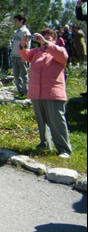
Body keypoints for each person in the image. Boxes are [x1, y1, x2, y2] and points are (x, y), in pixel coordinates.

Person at [18, 29, 72, 159]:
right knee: (41, 122)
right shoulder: (36, 52)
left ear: (55, 39)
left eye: (48, 38)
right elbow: (25, 55)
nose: (44, 40)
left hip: (53, 93)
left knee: (57, 122)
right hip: (36, 93)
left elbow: (62, 57)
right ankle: (44, 144)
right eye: (43, 38)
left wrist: (46, 43)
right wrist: (23, 43)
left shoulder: (59, 51)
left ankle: (64, 149)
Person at [11, 15, 31, 98]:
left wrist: (25, 56)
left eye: (16, 20)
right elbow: (13, 44)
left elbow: (27, 44)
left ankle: (25, 92)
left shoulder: (25, 31)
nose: (15, 22)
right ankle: (19, 91)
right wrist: (12, 55)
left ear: (21, 21)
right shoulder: (16, 32)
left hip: (21, 56)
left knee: (23, 75)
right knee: (16, 75)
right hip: (15, 55)